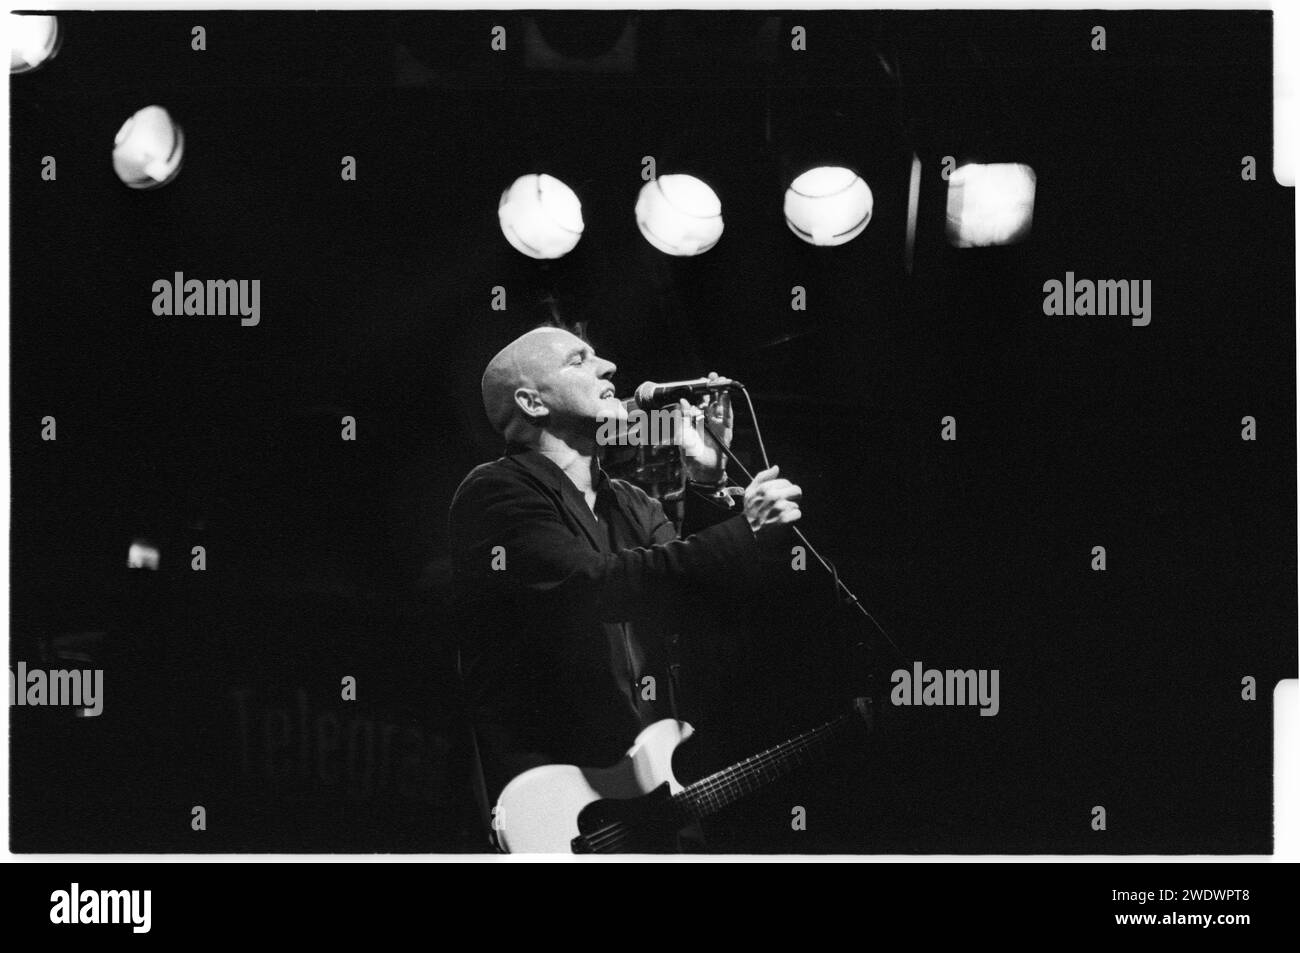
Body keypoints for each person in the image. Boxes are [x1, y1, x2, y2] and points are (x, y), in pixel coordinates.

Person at [448, 325, 802, 836]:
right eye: (578, 360)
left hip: (650, 798)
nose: (609, 367)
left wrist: (706, 479)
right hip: (558, 813)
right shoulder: (495, 491)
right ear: (531, 401)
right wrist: (744, 528)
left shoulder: (634, 504)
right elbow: (596, 587)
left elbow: (693, 601)